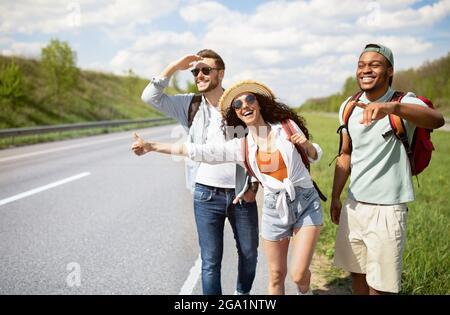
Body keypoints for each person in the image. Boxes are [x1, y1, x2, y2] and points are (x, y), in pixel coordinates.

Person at [133, 80, 325, 295]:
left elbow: (315, 155)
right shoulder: (241, 146)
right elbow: (197, 150)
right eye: (237, 105)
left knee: (298, 274)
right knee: (276, 275)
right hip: (274, 207)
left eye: (249, 99)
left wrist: (308, 146)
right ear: (237, 115)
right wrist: (152, 146)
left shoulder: (286, 127)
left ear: (259, 103)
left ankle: (304, 286)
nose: (245, 105)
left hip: (305, 200)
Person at [140, 50, 259, 295]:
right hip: (206, 194)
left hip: (241, 194)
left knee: (249, 254)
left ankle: (241, 295)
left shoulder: (240, 103)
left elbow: (260, 142)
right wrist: (174, 66)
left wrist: (253, 186)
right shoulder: (190, 104)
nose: (199, 75)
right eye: (196, 71)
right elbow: (150, 97)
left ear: (221, 73)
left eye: (206, 70)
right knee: (210, 262)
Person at [330, 43, 445, 295]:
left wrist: (391, 108)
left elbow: (438, 119)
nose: (366, 70)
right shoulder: (348, 106)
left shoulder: (404, 101)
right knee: (357, 277)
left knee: (380, 287)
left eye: (375, 64)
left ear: (389, 71)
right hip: (354, 205)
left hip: (388, 210)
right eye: (361, 65)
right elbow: (345, 154)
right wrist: (336, 197)